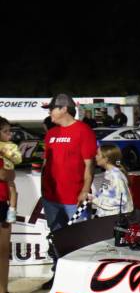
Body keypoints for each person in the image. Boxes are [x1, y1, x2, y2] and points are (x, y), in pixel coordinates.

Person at [42, 94, 97, 232]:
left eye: (52, 109)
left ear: (64, 109)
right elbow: (46, 162)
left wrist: (85, 191)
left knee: (80, 241)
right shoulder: (51, 133)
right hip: (51, 199)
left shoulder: (84, 131)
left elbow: (90, 165)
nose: (49, 112)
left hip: (75, 200)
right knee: (56, 240)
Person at [0, 118, 25, 293]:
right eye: (6, 132)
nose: (10, 135)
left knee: (3, 252)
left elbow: (10, 177)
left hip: (4, 204)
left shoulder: (7, 151)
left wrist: (12, 206)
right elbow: (4, 175)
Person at [90, 144, 134, 216]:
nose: (95, 157)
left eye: (98, 154)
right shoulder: (108, 173)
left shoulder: (116, 176)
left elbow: (120, 201)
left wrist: (94, 199)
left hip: (114, 219)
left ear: (106, 159)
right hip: (107, 216)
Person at [0, 119, 22, 224]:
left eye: (9, 130)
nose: (9, 133)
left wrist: (7, 154)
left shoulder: (12, 146)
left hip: (8, 172)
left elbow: (18, 159)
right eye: (5, 131)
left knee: (12, 190)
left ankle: (12, 212)